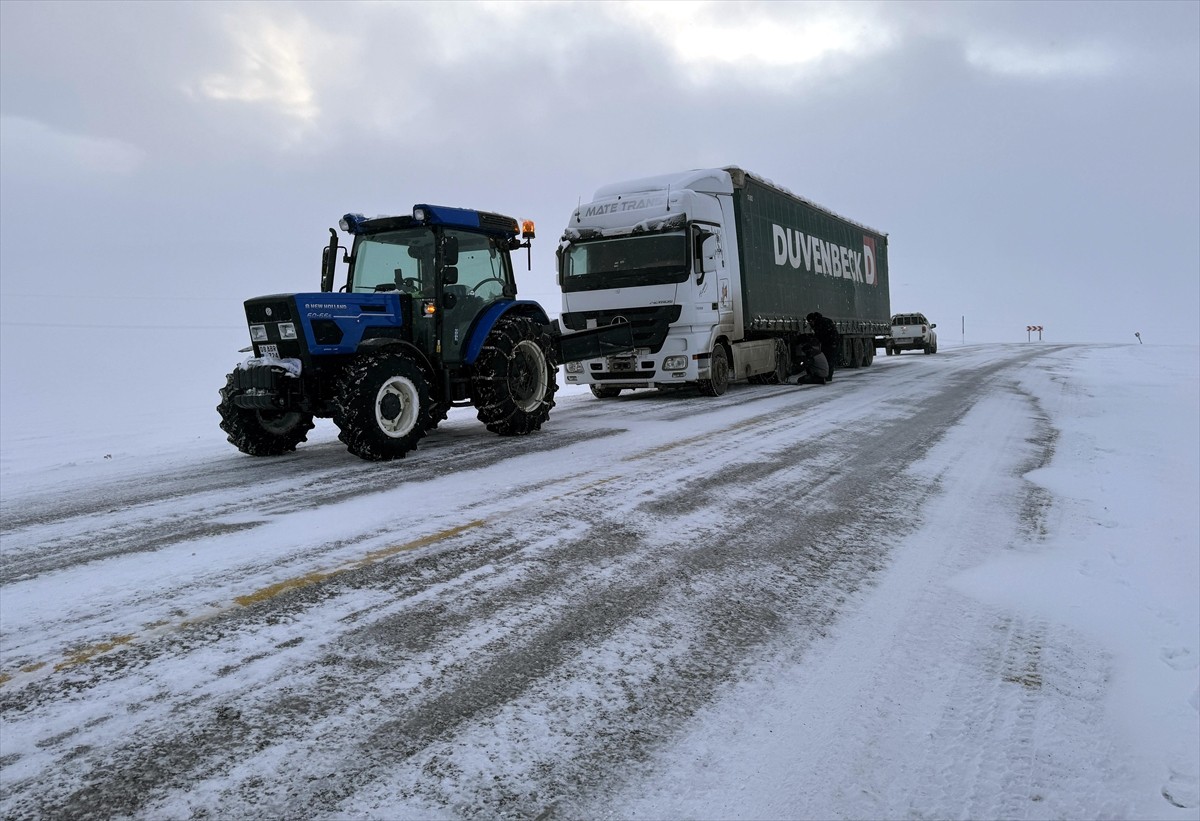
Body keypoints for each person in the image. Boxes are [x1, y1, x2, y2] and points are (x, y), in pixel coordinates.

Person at [806, 311, 840, 382]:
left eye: (810, 322)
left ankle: (828, 376)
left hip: (830, 344)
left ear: (813, 320)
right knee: (828, 360)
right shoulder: (821, 322)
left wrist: (833, 343)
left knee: (829, 360)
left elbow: (827, 334)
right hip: (829, 343)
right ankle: (827, 375)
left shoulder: (822, 323)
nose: (810, 324)